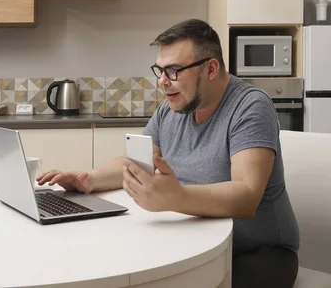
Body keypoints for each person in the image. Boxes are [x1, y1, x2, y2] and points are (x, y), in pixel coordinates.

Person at [37, 19, 300, 288]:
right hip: (194, 242)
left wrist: (176, 197)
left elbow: (246, 196)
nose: (163, 82)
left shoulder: (250, 106)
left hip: (257, 254)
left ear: (211, 68)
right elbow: (135, 162)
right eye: (160, 71)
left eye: (173, 71)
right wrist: (88, 178)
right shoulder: (172, 108)